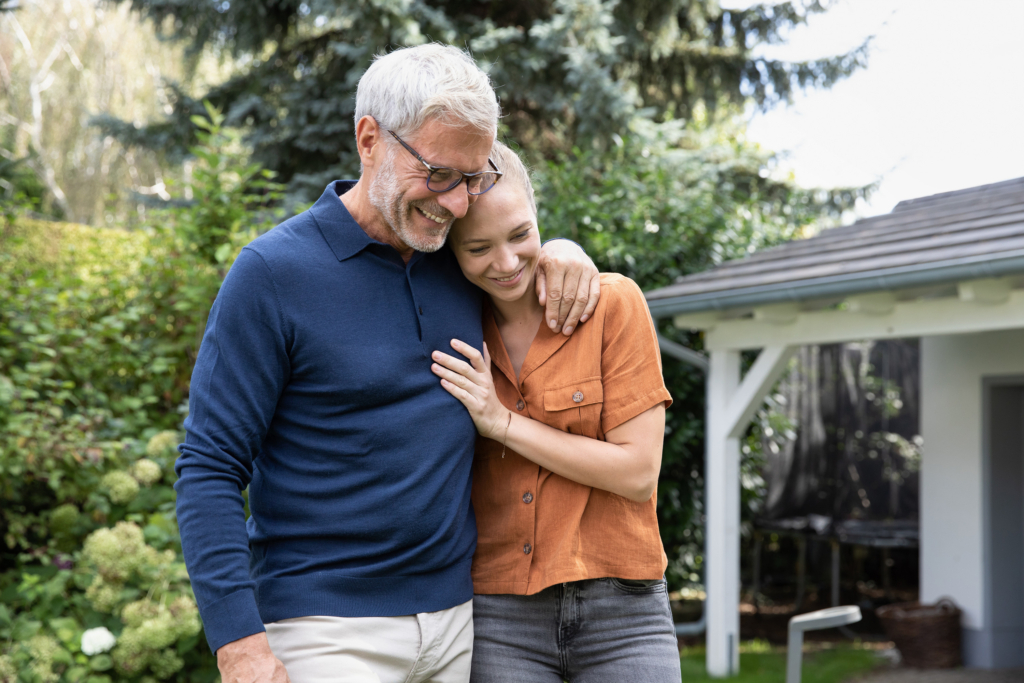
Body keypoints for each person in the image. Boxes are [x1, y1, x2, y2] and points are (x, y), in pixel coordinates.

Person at [174, 45, 602, 683]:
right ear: (369, 138)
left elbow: (515, 252)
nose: (458, 204)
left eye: (474, 176)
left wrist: (564, 251)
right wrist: (238, 643)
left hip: (459, 624)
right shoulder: (270, 275)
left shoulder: (459, 260)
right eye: (438, 174)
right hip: (326, 632)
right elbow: (209, 467)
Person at [430, 142, 681, 682]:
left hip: (626, 611)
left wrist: (502, 423)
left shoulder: (611, 305)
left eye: (521, 235)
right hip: (500, 617)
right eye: (478, 248)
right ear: (452, 250)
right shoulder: (449, 331)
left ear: (537, 217)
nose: (505, 262)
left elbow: (638, 474)